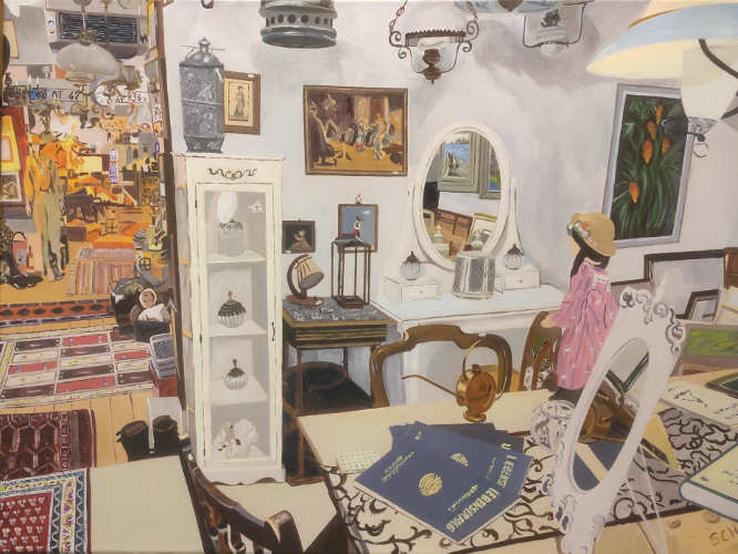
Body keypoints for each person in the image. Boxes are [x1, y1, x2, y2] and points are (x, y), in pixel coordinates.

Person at [541, 212, 618, 404]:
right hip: (598, 331)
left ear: (584, 247)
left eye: (574, 241)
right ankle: (579, 394)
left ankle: (568, 394)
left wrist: (555, 319)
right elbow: (610, 308)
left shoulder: (584, 271)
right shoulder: (602, 274)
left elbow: (573, 302)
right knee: (588, 361)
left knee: (572, 357)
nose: (571, 244)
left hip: (582, 329)